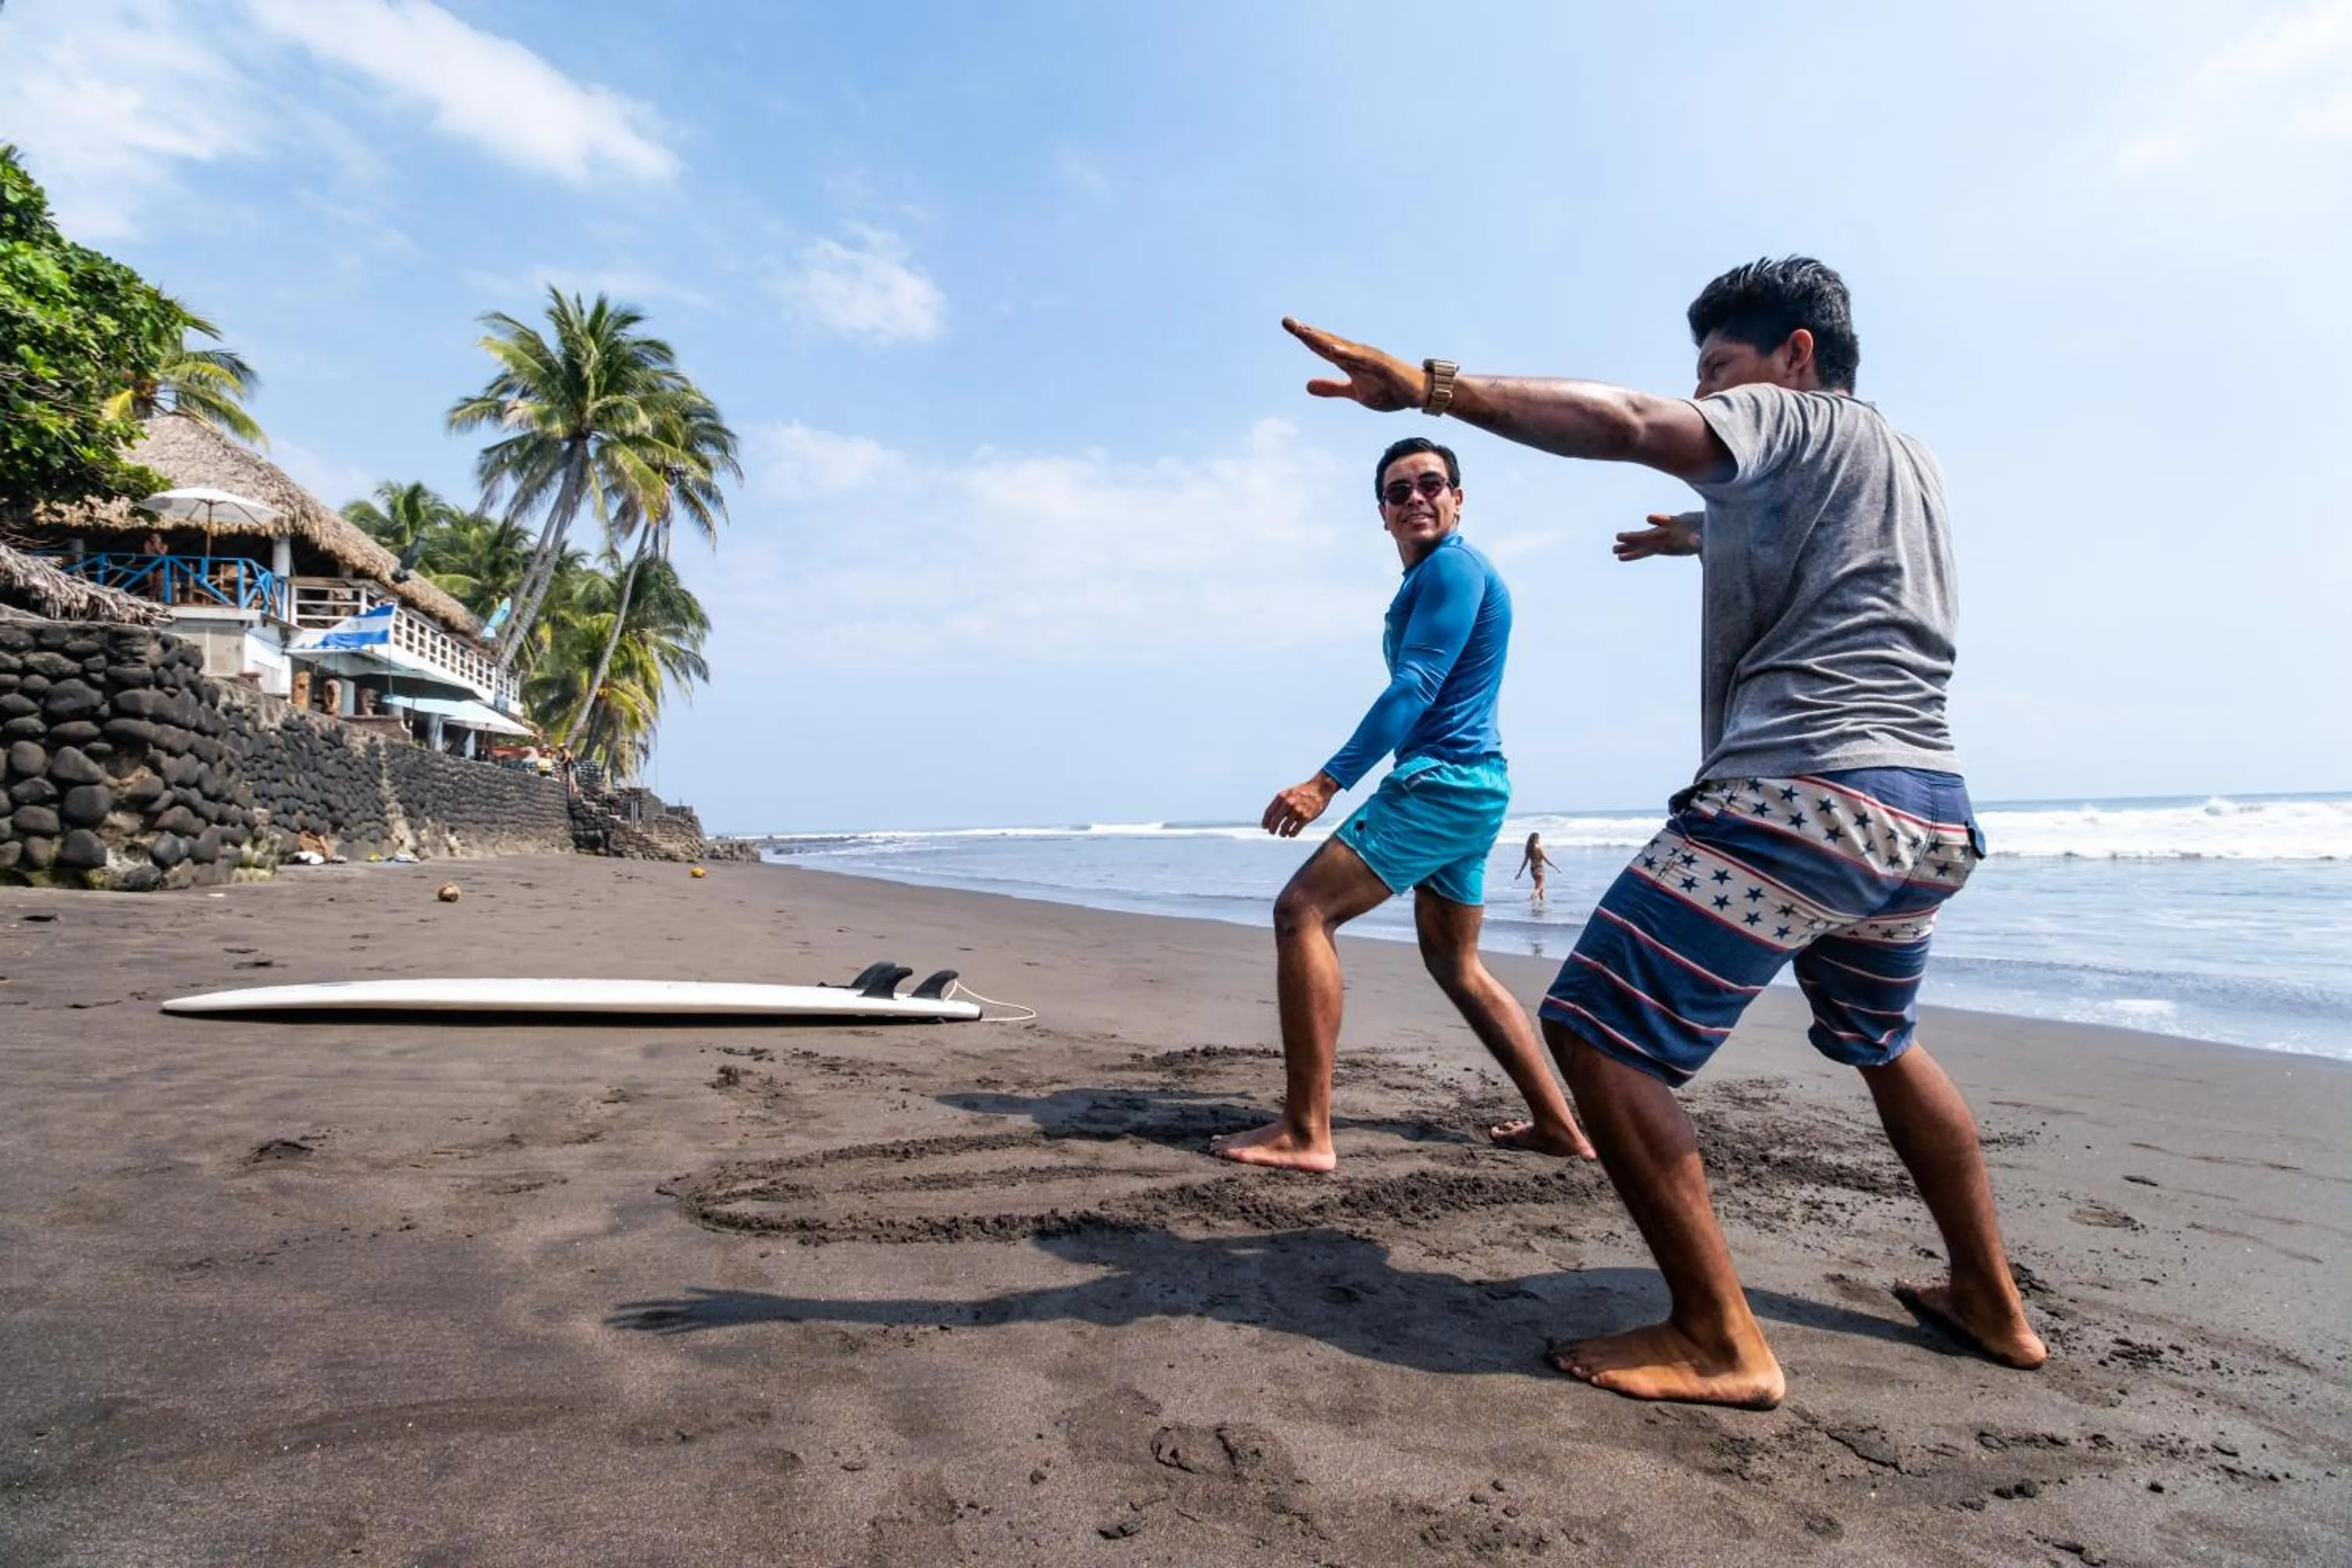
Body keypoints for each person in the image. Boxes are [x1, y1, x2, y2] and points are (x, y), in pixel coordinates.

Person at [1281, 257, 2045, 1408]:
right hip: (1927, 810)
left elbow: (1635, 422)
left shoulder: (1791, 418)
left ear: (1795, 357)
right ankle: (1991, 1299)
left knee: (1593, 1031)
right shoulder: (1909, 461)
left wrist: (1434, 388)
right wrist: (1701, 536)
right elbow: (1829, 548)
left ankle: (1719, 1337)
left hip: (1802, 791)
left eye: (1719, 372)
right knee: (1883, 1040)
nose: (1707, 395)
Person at [1209, 437, 1595, 1174]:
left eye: (1431, 483)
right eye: (1397, 491)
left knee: (1303, 912)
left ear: (1458, 497)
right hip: (1475, 785)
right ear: (1382, 514)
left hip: (1441, 783)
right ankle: (1558, 1125)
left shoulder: (1453, 569)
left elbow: (1414, 687)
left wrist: (1327, 782)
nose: (1415, 497)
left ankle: (1307, 1131)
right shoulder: (1441, 577)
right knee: (1456, 962)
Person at [1513, 831, 1555, 906]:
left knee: (1540, 888)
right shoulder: (1538, 848)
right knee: (1538, 889)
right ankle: (1532, 899)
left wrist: (1520, 872)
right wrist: (1554, 866)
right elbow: (1546, 860)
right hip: (1539, 869)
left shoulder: (1529, 849)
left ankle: (1541, 904)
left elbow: (1525, 862)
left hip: (1533, 870)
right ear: (1537, 839)